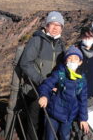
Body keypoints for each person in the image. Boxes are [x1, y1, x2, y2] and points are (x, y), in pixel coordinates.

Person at [19, 11, 66, 140]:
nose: (55, 28)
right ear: (46, 25)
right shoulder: (37, 41)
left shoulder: (61, 45)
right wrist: (43, 82)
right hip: (35, 90)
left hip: (52, 92)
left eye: (59, 25)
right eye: (52, 24)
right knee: (34, 123)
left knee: (47, 123)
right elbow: (25, 63)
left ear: (62, 28)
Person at [38, 46, 89, 140]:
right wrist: (44, 96)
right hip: (54, 113)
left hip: (68, 116)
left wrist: (83, 118)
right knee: (49, 136)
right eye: (70, 58)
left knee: (65, 136)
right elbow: (46, 85)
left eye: (76, 59)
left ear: (80, 62)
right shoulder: (59, 73)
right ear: (65, 61)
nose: (73, 61)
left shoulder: (82, 80)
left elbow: (83, 100)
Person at [75, 26, 93, 98]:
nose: (88, 39)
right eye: (85, 37)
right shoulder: (76, 50)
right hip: (78, 90)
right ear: (81, 37)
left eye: (90, 36)